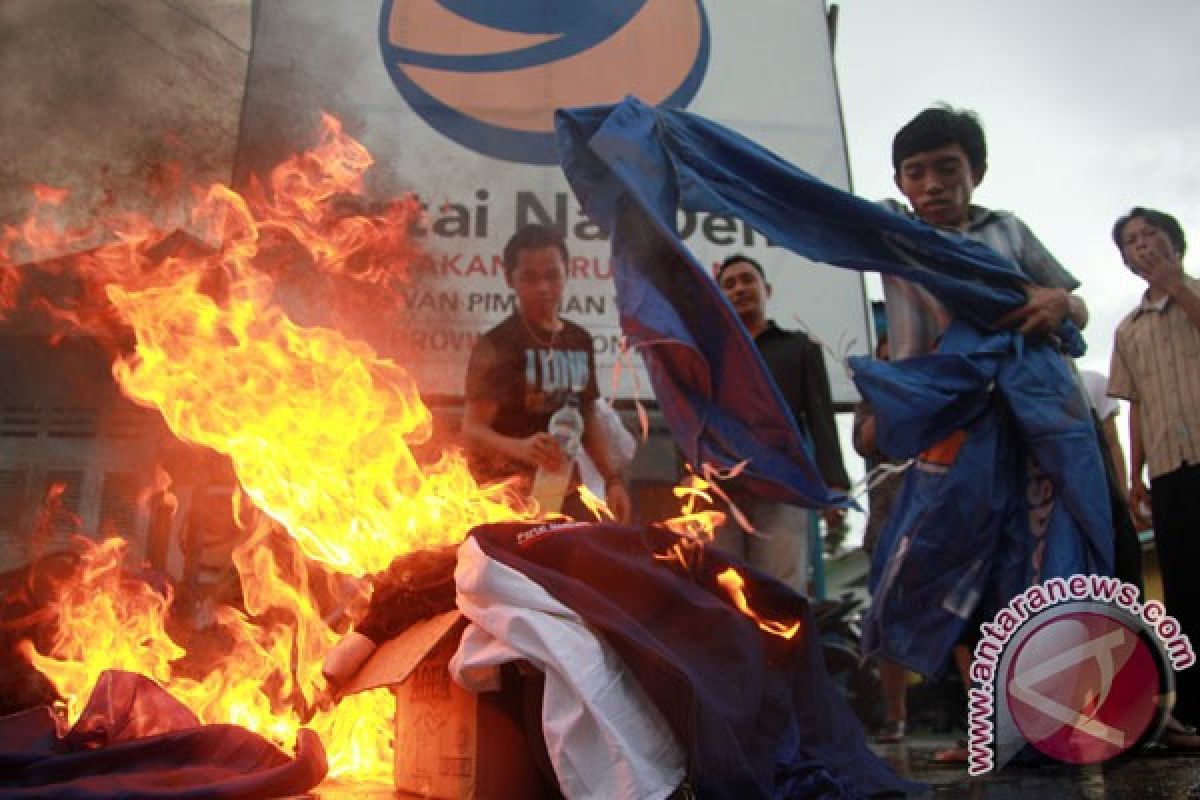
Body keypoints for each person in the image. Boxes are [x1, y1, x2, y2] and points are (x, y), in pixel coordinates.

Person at [877, 106, 1093, 761]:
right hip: (944, 428)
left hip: (1030, 426)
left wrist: (1058, 303)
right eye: (917, 172)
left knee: (1034, 564)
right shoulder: (889, 235)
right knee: (949, 572)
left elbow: (1075, 304)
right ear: (901, 181)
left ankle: (1062, 718)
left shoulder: (1008, 231)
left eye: (948, 169)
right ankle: (992, 724)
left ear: (977, 173)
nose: (933, 184)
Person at [462, 224, 631, 523]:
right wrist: (521, 448)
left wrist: (613, 481)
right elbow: (473, 430)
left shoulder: (580, 339)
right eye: (530, 277)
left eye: (552, 275)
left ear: (567, 273)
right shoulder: (496, 344)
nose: (543, 287)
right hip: (507, 496)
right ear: (509, 279)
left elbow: (589, 416)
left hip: (568, 491)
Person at [1108, 207, 1200, 730]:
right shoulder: (1127, 329)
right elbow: (1136, 402)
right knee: (1184, 589)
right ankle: (1192, 712)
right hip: (1168, 470)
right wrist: (1134, 475)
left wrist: (1176, 285)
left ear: (1175, 241)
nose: (1142, 245)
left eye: (1151, 235)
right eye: (1131, 241)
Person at [715, 254, 849, 594]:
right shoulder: (712, 354)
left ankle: (782, 650)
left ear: (767, 289)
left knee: (780, 590)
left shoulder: (799, 348)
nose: (739, 289)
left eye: (747, 280)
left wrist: (834, 482)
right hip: (722, 489)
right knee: (721, 590)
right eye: (728, 285)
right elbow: (694, 416)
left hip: (784, 486)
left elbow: (820, 417)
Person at [852, 334, 909, 743]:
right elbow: (864, 441)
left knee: (963, 620)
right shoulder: (872, 399)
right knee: (889, 623)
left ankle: (981, 716)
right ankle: (896, 717)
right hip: (888, 524)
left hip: (943, 522)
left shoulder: (942, 385)